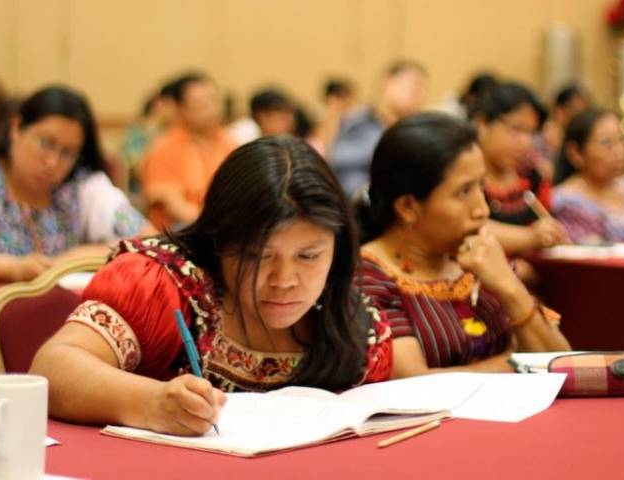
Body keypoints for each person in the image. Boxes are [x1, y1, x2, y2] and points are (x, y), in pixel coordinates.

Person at [30, 135, 392, 436]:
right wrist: (152, 402)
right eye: (258, 256)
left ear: (338, 249)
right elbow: (53, 369)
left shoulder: (355, 327)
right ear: (219, 240)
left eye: (308, 256)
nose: (284, 280)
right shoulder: (162, 286)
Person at [357, 112, 570, 377]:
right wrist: (517, 364)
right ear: (408, 206)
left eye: (481, 187)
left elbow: (560, 364)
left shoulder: (479, 259)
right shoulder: (369, 277)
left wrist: (509, 287)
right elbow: (413, 384)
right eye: (464, 191)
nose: (482, 210)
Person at [0, 85, 149, 282]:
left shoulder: (81, 184)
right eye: (46, 143)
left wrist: (80, 258)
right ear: (16, 128)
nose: (53, 163)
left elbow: (150, 241)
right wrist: (12, 269)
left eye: (68, 152)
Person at [469, 81, 568, 256]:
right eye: (516, 129)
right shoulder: (463, 179)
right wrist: (529, 238)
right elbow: (463, 229)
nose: (525, 142)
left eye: (531, 133)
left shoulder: (534, 179)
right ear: (482, 124)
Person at [142, 72, 236, 230]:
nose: (211, 110)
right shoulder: (164, 149)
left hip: (223, 228)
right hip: (182, 233)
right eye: (200, 105)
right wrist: (219, 225)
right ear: (180, 109)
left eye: (214, 101)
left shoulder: (229, 142)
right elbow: (176, 208)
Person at [553, 109, 624, 244]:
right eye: (607, 143)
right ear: (575, 153)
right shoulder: (566, 202)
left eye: (622, 140)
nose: (620, 151)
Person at [329, 60, 428, 196]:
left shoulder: (418, 131)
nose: (417, 92)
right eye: (413, 84)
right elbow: (346, 176)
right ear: (387, 82)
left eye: (423, 87)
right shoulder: (360, 123)